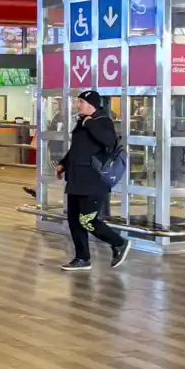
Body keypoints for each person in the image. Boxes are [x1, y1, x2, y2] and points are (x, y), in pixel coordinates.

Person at [57, 90, 131, 271]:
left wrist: (90, 123)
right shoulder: (82, 122)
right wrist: (63, 164)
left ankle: (119, 243)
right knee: (74, 220)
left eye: (80, 102)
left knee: (86, 220)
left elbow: (109, 140)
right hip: (76, 179)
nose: (77, 105)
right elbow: (78, 149)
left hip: (93, 181)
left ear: (90, 104)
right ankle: (82, 258)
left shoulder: (102, 121)